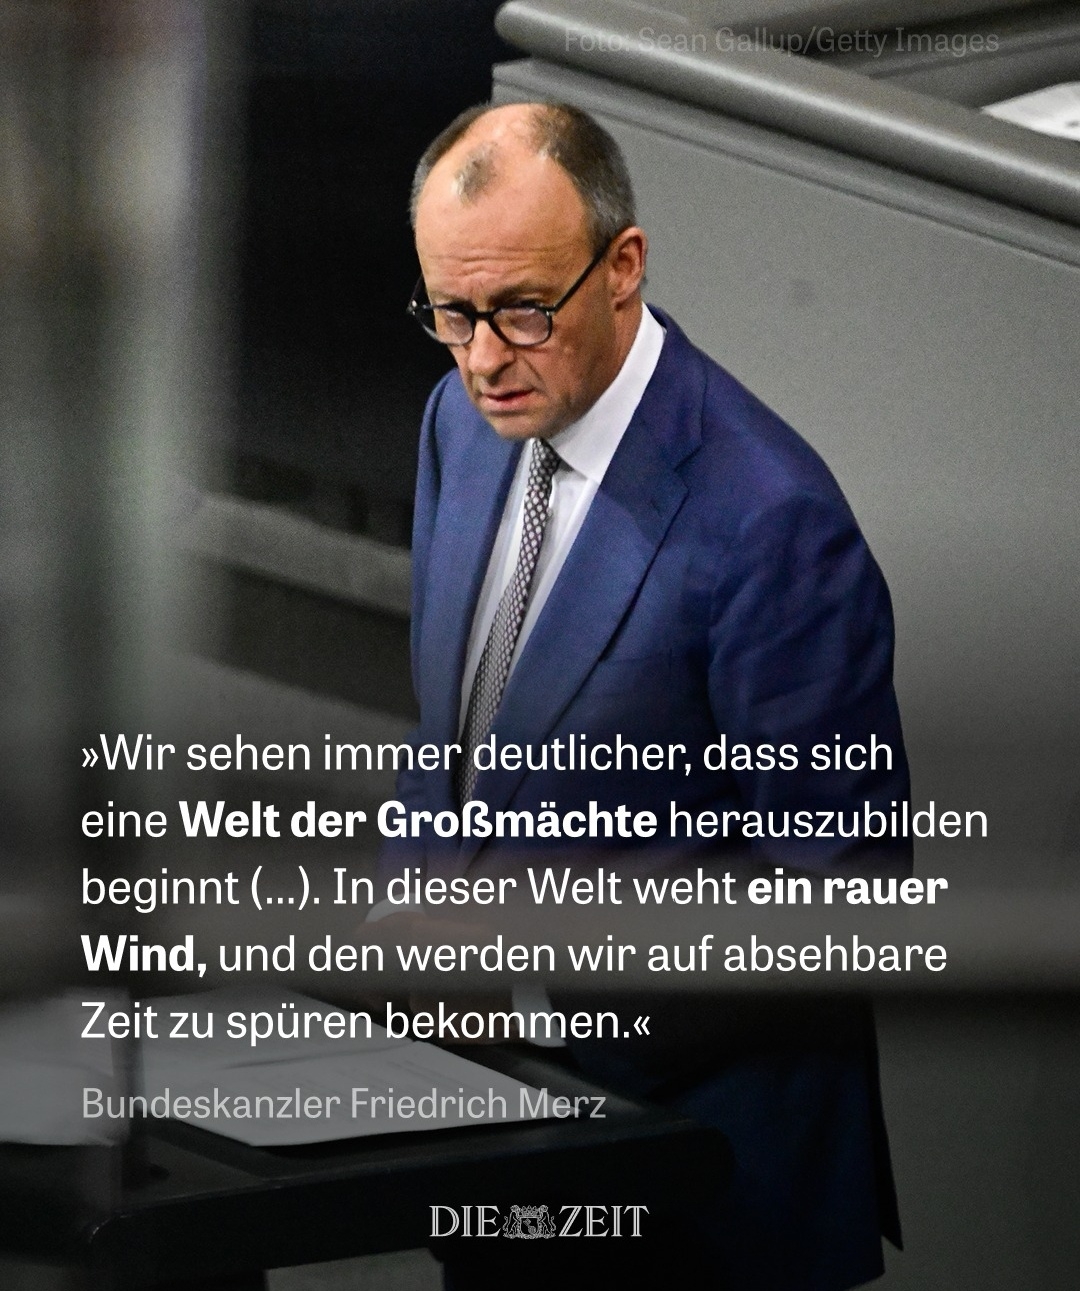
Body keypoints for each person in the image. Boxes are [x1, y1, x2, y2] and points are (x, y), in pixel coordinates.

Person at [388, 100, 911, 1290]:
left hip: (702, 1193)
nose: (482, 357)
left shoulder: (773, 521)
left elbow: (836, 898)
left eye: (523, 310)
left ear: (621, 266)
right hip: (495, 1137)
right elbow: (453, 739)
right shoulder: (458, 425)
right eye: (451, 313)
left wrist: (528, 989)